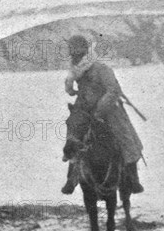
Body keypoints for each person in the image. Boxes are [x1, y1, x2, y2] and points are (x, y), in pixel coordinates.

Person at [61, 35, 144, 194]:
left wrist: (99, 109)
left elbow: (113, 90)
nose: (75, 57)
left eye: (78, 53)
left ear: (85, 52)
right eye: (73, 53)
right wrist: (70, 87)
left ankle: (133, 178)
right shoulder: (76, 71)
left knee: (125, 138)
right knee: (74, 132)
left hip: (107, 110)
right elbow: (72, 89)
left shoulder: (101, 68)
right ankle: (71, 176)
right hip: (84, 109)